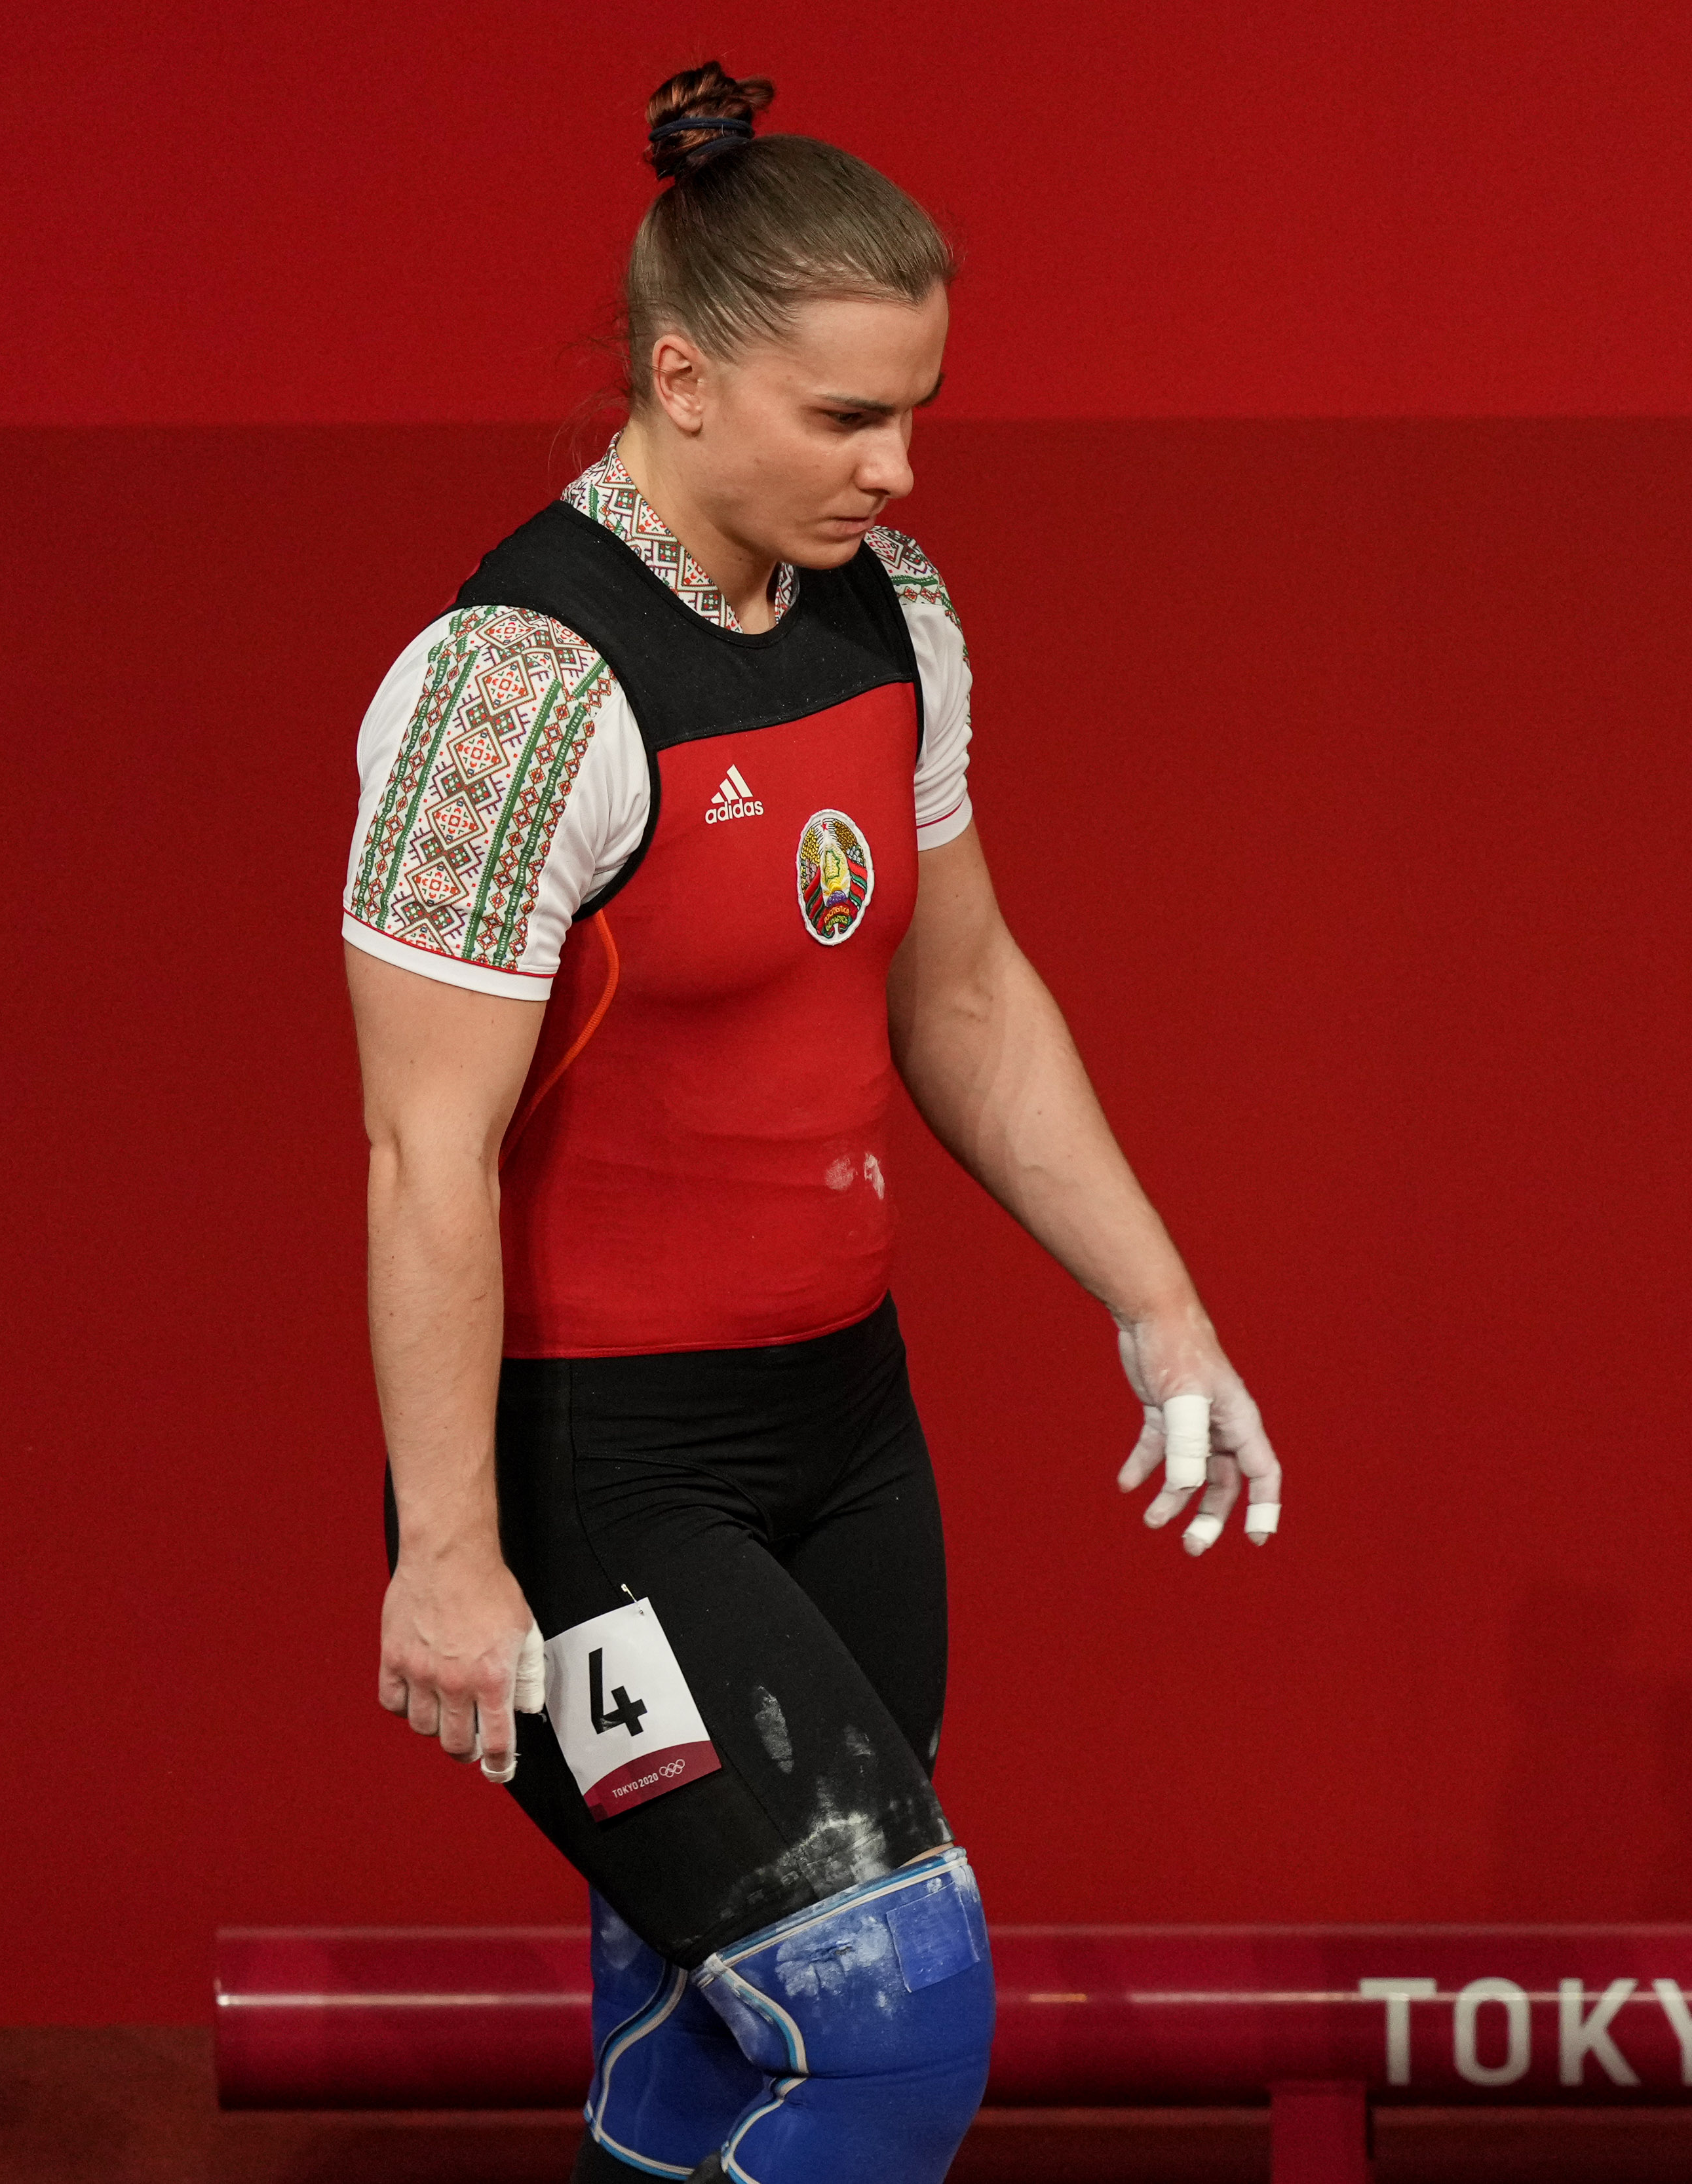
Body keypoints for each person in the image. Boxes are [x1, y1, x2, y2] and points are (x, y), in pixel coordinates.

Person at [340, 62, 1282, 2182]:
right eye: (847, 417)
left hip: (845, 1438)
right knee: (888, 2027)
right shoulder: (513, 693)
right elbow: (426, 1156)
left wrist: (1161, 1305)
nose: (899, 467)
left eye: (918, 412)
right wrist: (454, 1552)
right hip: (595, 1478)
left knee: (709, 2020)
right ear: (681, 379)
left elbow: (966, 996)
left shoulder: (891, 611)